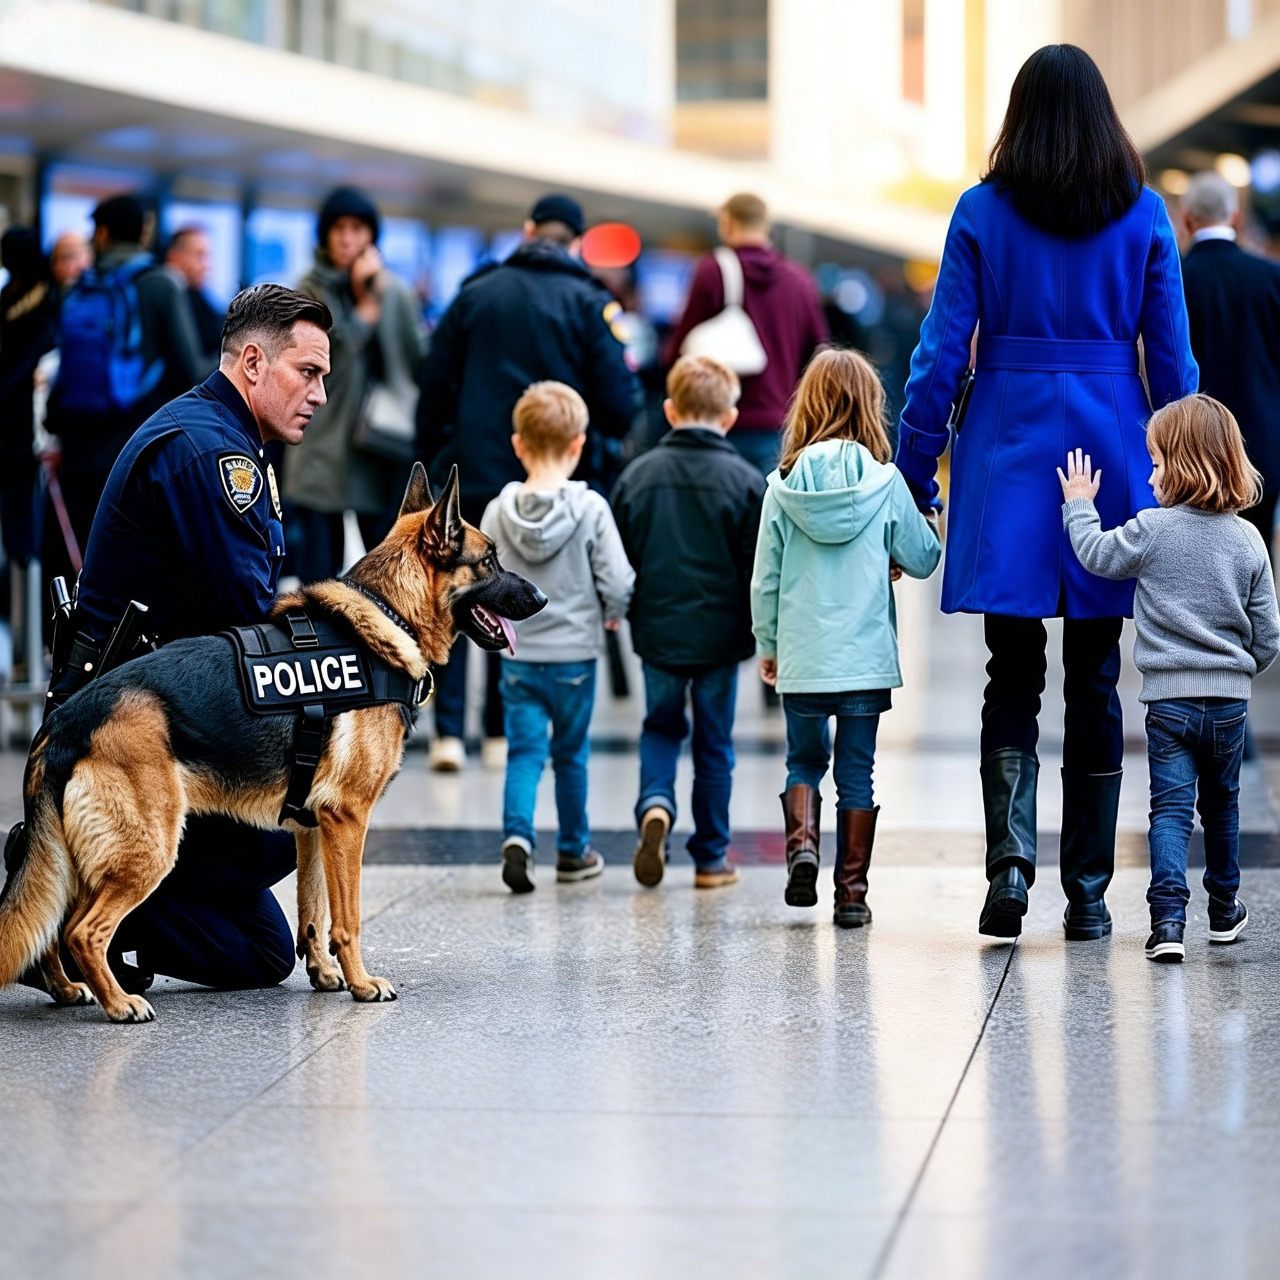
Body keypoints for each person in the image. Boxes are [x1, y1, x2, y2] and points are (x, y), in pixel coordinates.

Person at [895, 45, 1199, 942]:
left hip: (1009, 448)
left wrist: (915, 470)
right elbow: (1172, 362)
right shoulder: (1143, 212)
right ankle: (1090, 893)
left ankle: (1010, 865)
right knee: (1098, 677)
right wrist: (1189, 474)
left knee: (1010, 670)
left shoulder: (981, 210)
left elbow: (941, 355)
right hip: (1112, 445)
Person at [6, 284, 333, 995]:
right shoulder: (210, 454)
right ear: (254, 363)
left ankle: (70, 893)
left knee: (259, 952)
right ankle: (60, 897)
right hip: (119, 746)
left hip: (159, 720)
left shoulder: (223, 436)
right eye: (307, 372)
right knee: (284, 824)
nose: (319, 394)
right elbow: (245, 619)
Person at [418, 193, 641, 773]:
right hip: (548, 480)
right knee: (508, 592)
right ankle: (498, 733)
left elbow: (433, 381)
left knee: (456, 589)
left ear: (527, 230)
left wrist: (432, 452)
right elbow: (621, 404)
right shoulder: (590, 302)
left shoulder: (475, 292)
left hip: (472, 472)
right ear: (577, 242)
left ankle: (447, 734)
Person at [1059, 398, 1279, 962]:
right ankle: (1224, 911)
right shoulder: (1249, 540)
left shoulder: (1151, 530)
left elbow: (1097, 555)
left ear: (1183, 465)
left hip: (1168, 703)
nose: (1150, 475)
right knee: (1223, 807)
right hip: (1229, 704)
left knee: (1171, 811)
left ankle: (1168, 923)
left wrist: (1079, 505)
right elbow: (1269, 636)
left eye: (1156, 463)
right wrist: (1238, 670)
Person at [751, 350, 941, 926]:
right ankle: (852, 896)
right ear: (869, 407)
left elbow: (765, 579)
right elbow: (924, 558)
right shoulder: (886, 484)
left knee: (803, 761)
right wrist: (921, 526)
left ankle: (803, 848)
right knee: (857, 772)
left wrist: (769, 646)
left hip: (804, 659)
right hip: (865, 661)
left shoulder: (782, 487)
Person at [611, 355, 765, 890]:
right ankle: (711, 858)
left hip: (657, 633)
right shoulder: (747, 482)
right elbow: (757, 570)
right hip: (722, 637)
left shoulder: (637, 477)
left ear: (671, 410)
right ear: (730, 417)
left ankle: (655, 803)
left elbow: (620, 559)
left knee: (659, 726)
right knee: (715, 743)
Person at [481, 382, 634, 893]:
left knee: (524, 753)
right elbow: (618, 580)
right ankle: (572, 851)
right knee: (571, 755)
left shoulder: (497, 512)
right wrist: (613, 613)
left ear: (518, 445)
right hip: (576, 657)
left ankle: (517, 838)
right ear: (578, 445)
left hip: (519, 656)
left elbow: (481, 581)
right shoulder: (591, 509)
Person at [43, 194, 209, 603]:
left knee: (81, 563)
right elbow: (191, 368)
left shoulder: (80, 288)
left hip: (79, 451)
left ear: (101, 233)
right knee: (133, 569)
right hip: (136, 452)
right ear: (143, 233)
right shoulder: (160, 284)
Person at [284, 187, 423, 586]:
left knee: (389, 575)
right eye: (339, 229)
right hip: (320, 444)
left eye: (358, 229)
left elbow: (417, 360)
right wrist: (364, 309)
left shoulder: (395, 292)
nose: (348, 239)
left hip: (379, 447)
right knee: (319, 578)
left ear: (372, 237)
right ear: (325, 235)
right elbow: (328, 365)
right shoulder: (308, 289)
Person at [664, 193, 829, 476]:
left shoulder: (712, 271)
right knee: (765, 502)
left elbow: (681, 344)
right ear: (765, 225)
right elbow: (818, 353)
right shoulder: (799, 280)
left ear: (727, 222)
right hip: (778, 423)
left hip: (716, 420)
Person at [1178, 172, 1280, 559]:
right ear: (1235, 218)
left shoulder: (1176, 279)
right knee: (1256, 558)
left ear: (1187, 219)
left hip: (1192, 447)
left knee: (1196, 565)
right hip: (1263, 445)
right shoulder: (1271, 276)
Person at [0, 228, 57, 568]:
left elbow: (35, 350)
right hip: (11, 406)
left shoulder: (44, 294)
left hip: (28, 406)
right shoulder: (14, 293)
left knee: (24, 497)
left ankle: (24, 565)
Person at [165, 225, 224, 369]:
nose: (206, 266)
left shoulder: (198, 296)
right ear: (174, 258)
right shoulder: (172, 296)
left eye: (207, 257)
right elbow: (195, 370)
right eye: (199, 256)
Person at [48, 230, 91, 295]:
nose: (58, 267)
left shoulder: (98, 295)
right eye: (55, 260)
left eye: (66, 257)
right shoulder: (48, 290)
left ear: (88, 259)